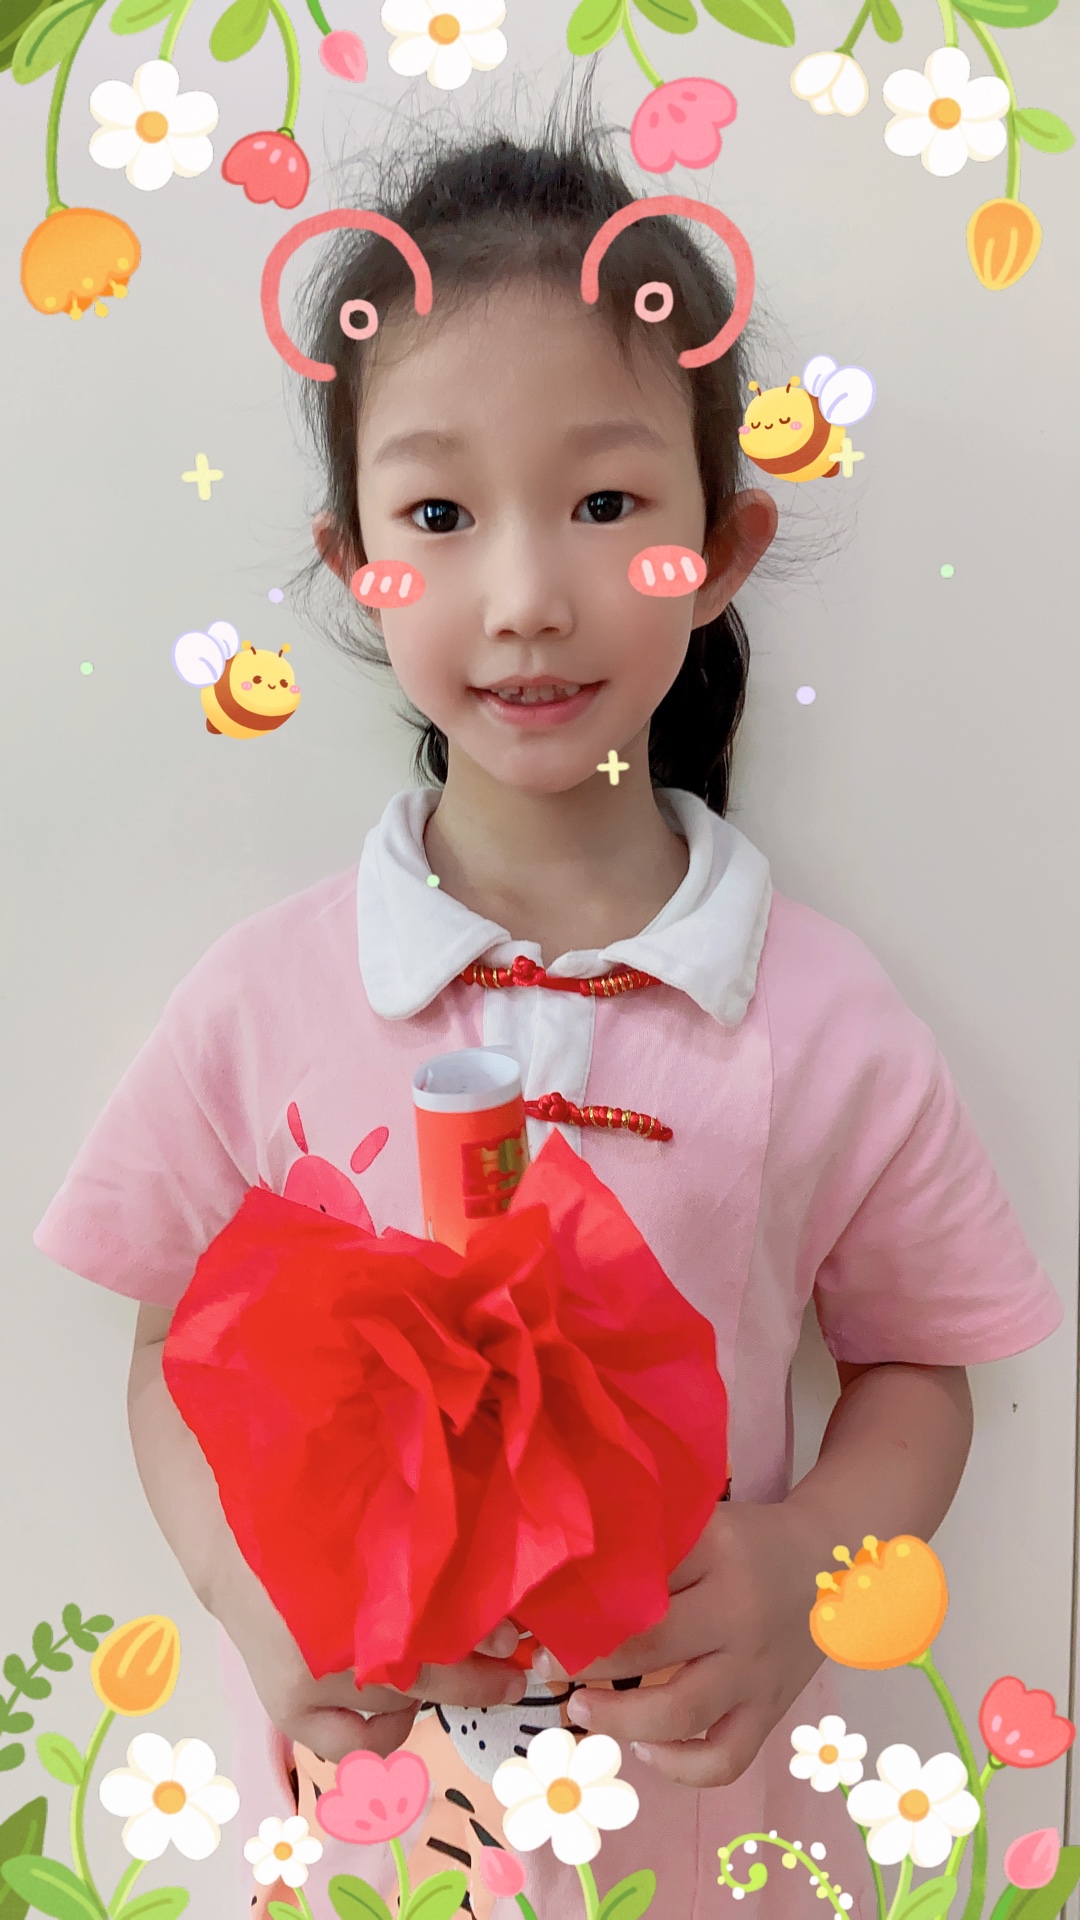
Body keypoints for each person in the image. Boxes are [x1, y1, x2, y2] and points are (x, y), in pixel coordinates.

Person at [34, 95, 1061, 1920]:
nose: (523, 597)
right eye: (438, 514)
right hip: (381, 1847)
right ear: (358, 563)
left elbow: (922, 1367)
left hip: (721, 1854)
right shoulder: (264, 1001)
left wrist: (812, 1564)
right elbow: (168, 1342)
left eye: (604, 505)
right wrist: (262, 1617)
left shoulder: (823, 1017)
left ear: (718, 550)